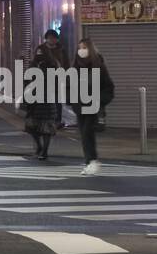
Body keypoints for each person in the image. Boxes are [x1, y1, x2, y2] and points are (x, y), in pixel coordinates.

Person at [24, 29, 67, 161]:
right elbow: (33, 65)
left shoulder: (61, 50)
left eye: (53, 38)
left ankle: (44, 150)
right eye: (49, 38)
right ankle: (40, 148)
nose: (52, 40)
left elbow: (66, 64)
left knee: (46, 124)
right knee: (33, 125)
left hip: (51, 90)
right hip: (38, 94)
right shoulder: (41, 50)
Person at [74, 36, 114, 176]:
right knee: (85, 135)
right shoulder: (76, 66)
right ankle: (90, 161)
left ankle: (92, 161)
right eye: (79, 48)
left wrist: (99, 101)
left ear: (90, 49)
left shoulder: (99, 66)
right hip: (80, 106)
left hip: (93, 106)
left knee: (87, 134)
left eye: (84, 48)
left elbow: (108, 87)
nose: (81, 51)